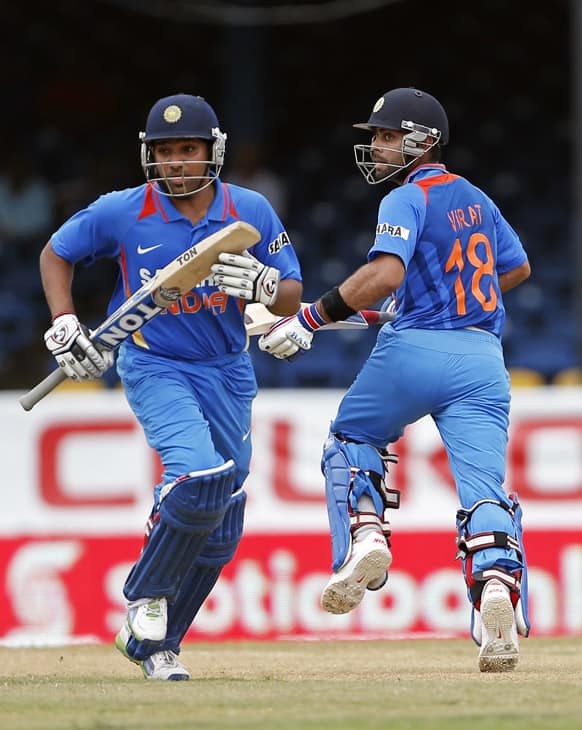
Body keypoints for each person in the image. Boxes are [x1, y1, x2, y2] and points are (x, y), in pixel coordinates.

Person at [259, 87, 531, 673]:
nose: (376, 146)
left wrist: (309, 318)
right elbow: (516, 267)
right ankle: (496, 596)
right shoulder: (477, 199)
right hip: (482, 359)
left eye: (386, 136)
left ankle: (367, 539)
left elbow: (383, 273)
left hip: (411, 353)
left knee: (350, 440)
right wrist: (448, 300)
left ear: (422, 141)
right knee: (484, 489)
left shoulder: (405, 199)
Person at [39, 93, 302, 680]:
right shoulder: (121, 211)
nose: (178, 162)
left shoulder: (250, 210)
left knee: (225, 518)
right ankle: (145, 593)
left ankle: (157, 647)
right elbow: (56, 253)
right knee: (197, 476)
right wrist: (64, 320)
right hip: (154, 362)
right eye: (166, 151)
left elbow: (291, 289)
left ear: (214, 152)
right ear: (148, 156)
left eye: (190, 150)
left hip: (229, 369)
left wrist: (262, 285)